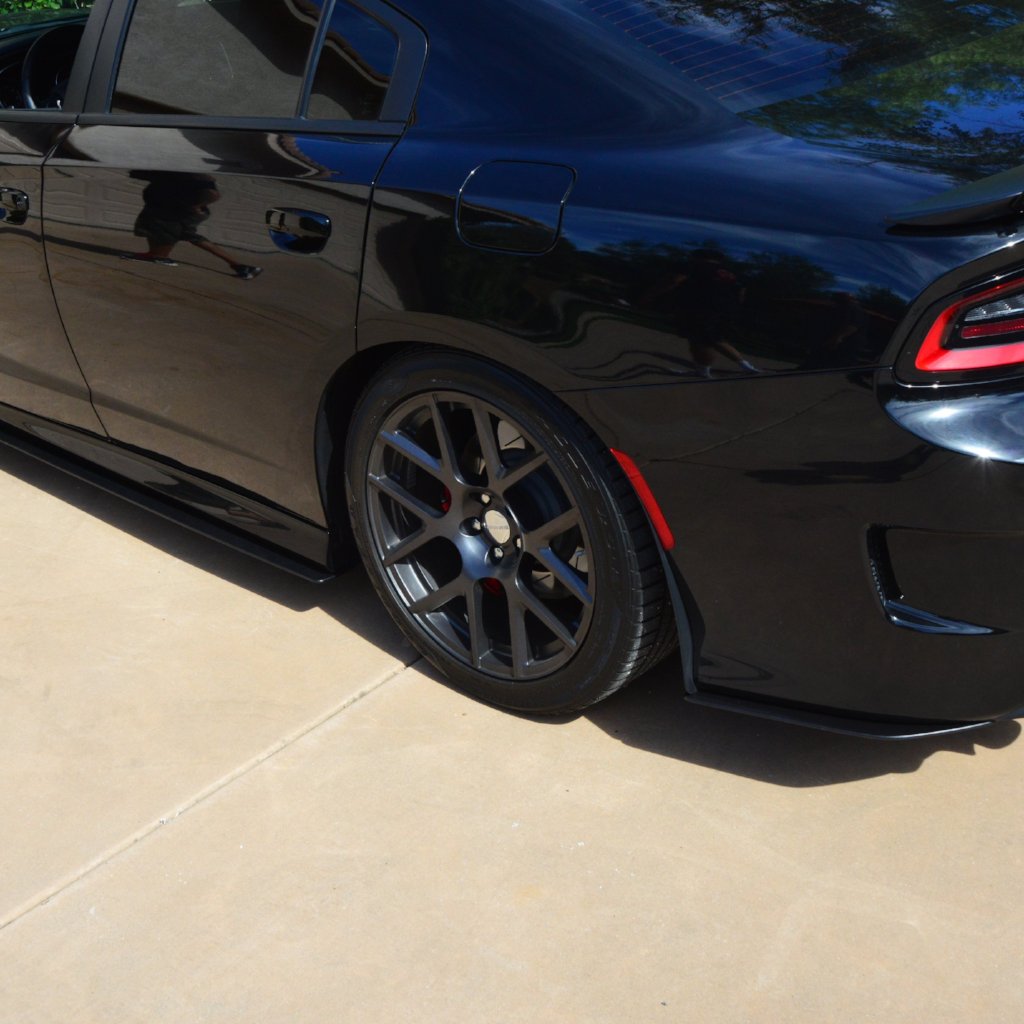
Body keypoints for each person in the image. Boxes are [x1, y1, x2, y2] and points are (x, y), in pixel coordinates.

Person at [121, 172, 262, 280]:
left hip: (177, 212)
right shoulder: (182, 173)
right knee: (190, 235)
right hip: (180, 210)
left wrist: (196, 206)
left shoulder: (191, 174)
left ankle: (158, 256)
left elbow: (213, 193)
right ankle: (240, 266)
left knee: (163, 230)